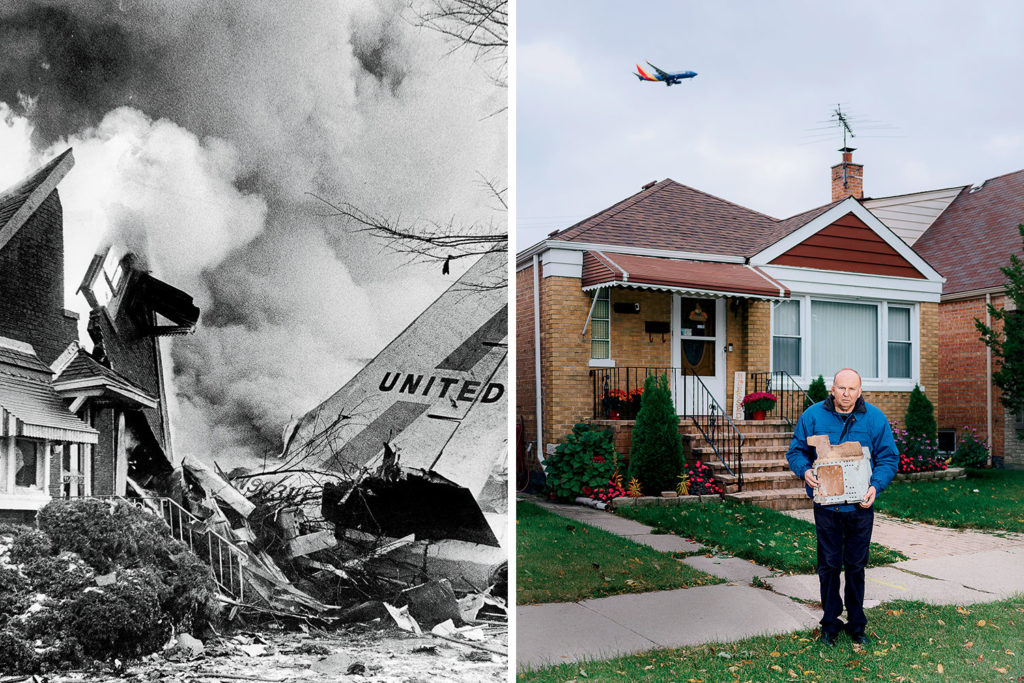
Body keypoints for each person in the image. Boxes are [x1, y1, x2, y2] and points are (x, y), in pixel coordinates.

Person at [785, 368, 898, 646]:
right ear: (832, 389)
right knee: (829, 566)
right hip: (827, 508)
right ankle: (830, 625)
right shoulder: (812, 416)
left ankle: (857, 625)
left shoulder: (874, 418)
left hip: (860, 507)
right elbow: (796, 451)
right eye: (841, 388)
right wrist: (805, 472)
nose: (846, 394)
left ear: (860, 391)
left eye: (852, 389)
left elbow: (888, 458)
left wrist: (875, 486)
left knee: (856, 566)